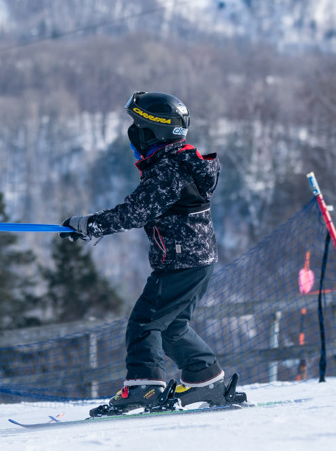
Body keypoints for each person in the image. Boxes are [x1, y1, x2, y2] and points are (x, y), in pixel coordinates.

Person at [60, 92, 241, 417]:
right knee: (172, 326)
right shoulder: (178, 163)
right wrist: (87, 227)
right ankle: (204, 377)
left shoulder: (168, 171)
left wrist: (89, 225)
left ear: (152, 132)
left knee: (144, 323)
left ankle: (145, 385)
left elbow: (135, 212)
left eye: (137, 128)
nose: (133, 136)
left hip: (180, 262)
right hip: (198, 261)